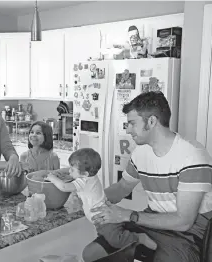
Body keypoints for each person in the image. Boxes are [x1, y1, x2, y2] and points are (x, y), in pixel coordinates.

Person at [81, 91, 212, 262]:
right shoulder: (140, 153)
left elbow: (184, 221)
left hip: (188, 234)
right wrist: (88, 195)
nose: (127, 129)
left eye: (132, 123)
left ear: (151, 121)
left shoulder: (192, 156)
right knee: (91, 253)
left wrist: (128, 215)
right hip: (150, 222)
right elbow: (122, 188)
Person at [46, 148, 157, 261]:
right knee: (108, 238)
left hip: (105, 219)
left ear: (84, 173)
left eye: (72, 169)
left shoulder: (83, 181)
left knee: (116, 240)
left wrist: (52, 177)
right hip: (101, 220)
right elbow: (74, 173)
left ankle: (139, 238)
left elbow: (64, 187)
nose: (69, 172)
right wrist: (63, 171)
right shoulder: (89, 177)